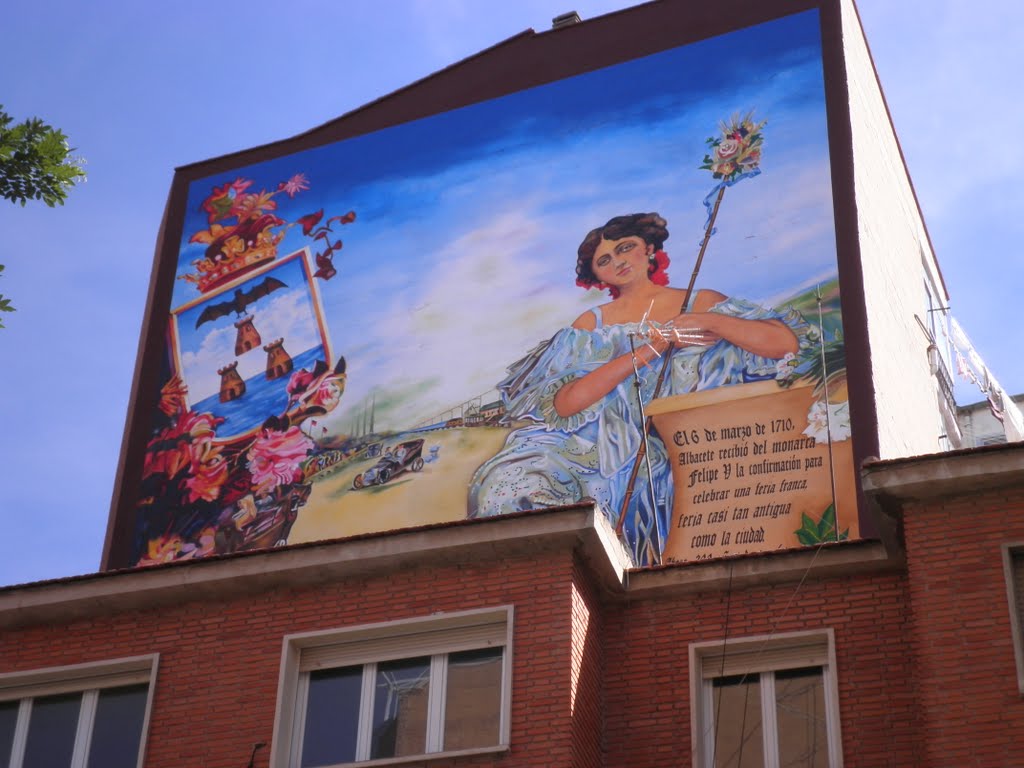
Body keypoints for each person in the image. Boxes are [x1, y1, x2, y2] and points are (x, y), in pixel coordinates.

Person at [468, 213, 805, 564]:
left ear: (648, 248)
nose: (618, 262)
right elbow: (566, 404)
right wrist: (653, 348)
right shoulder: (591, 324)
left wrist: (705, 321)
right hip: (578, 448)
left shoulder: (699, 300)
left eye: (625, 248)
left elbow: (784, 344)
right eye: (604, 260)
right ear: (596, 275)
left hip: (666, 449)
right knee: (512, 489)